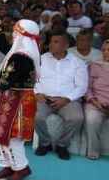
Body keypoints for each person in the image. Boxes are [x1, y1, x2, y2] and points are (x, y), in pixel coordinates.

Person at [0, 19, 41, 180]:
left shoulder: (22, 56)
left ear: (22, 35)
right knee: (2, 133)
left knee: (13, 137)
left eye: (15, 32)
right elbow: (5, 47)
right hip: (11, 99)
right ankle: (8, 166)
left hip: (19, 101)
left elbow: (8, 78)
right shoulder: (20, 52)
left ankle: (21, 168)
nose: (13, 34)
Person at [34, 29, 88, 161]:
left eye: (56, 42)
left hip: (68, 100)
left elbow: (82, 87)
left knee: (77, 118)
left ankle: (62, 145)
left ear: (66, 45)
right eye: (51, 42)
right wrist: (38, 93)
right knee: (36, 116)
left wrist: (67, 99)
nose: (51, 45)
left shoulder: (78, 63)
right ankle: (45, 143)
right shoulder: (41, 59)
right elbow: (33, 80)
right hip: (45, 98)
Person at [85, 39, 109, 160]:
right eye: (104, 50)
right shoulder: (94, 65)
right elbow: (87, 88)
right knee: (92, 119)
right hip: (96, 104)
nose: (106, 52)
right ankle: (93, 153)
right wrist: (95, 102)